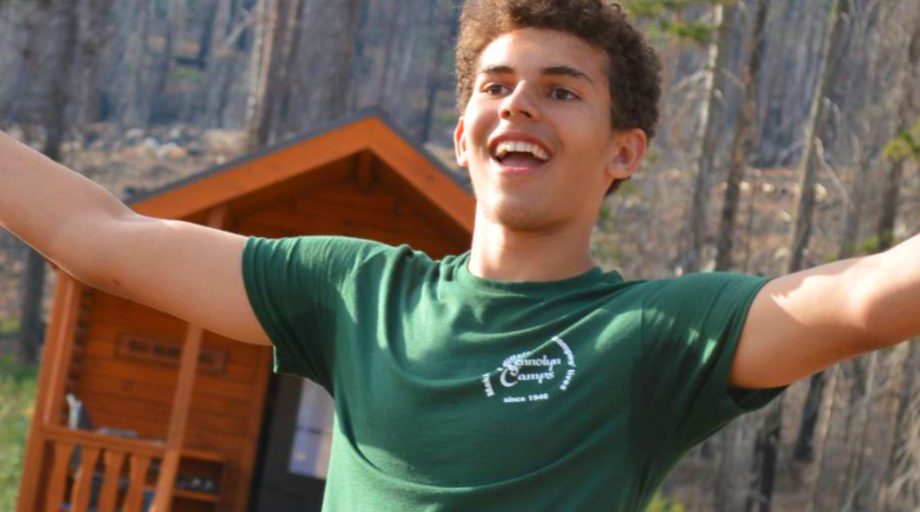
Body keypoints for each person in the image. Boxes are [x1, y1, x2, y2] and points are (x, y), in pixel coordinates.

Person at [0, 0, 916, 510]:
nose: (519, 104)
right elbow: (103, 242)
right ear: (464, 131)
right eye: (496, 86)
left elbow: (866, 298)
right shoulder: (355, 293)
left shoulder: (652, 336)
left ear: (624, 152)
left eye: (562, 91)